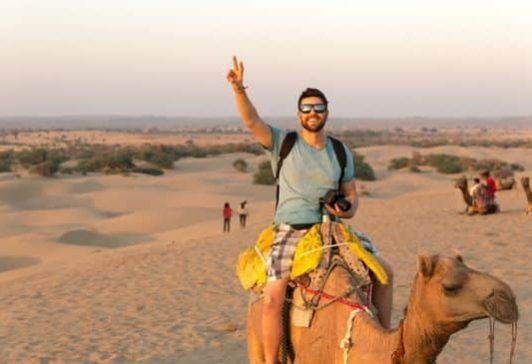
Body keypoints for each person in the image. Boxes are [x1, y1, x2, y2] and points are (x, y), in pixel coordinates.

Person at [227, 56, 394, 364]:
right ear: (299, 113)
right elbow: (252, 121)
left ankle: (379, 345)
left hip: (333, 229)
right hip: (292, 230)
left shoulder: (340, 151)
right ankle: (271, 360)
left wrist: (345, 208)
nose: (313, 113)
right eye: (307, 108)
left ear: (326, 112)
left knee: (385, 274)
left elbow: (352, 194)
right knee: (273, 298)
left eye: (319, 108)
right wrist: (239, 90)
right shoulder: (283, 143)